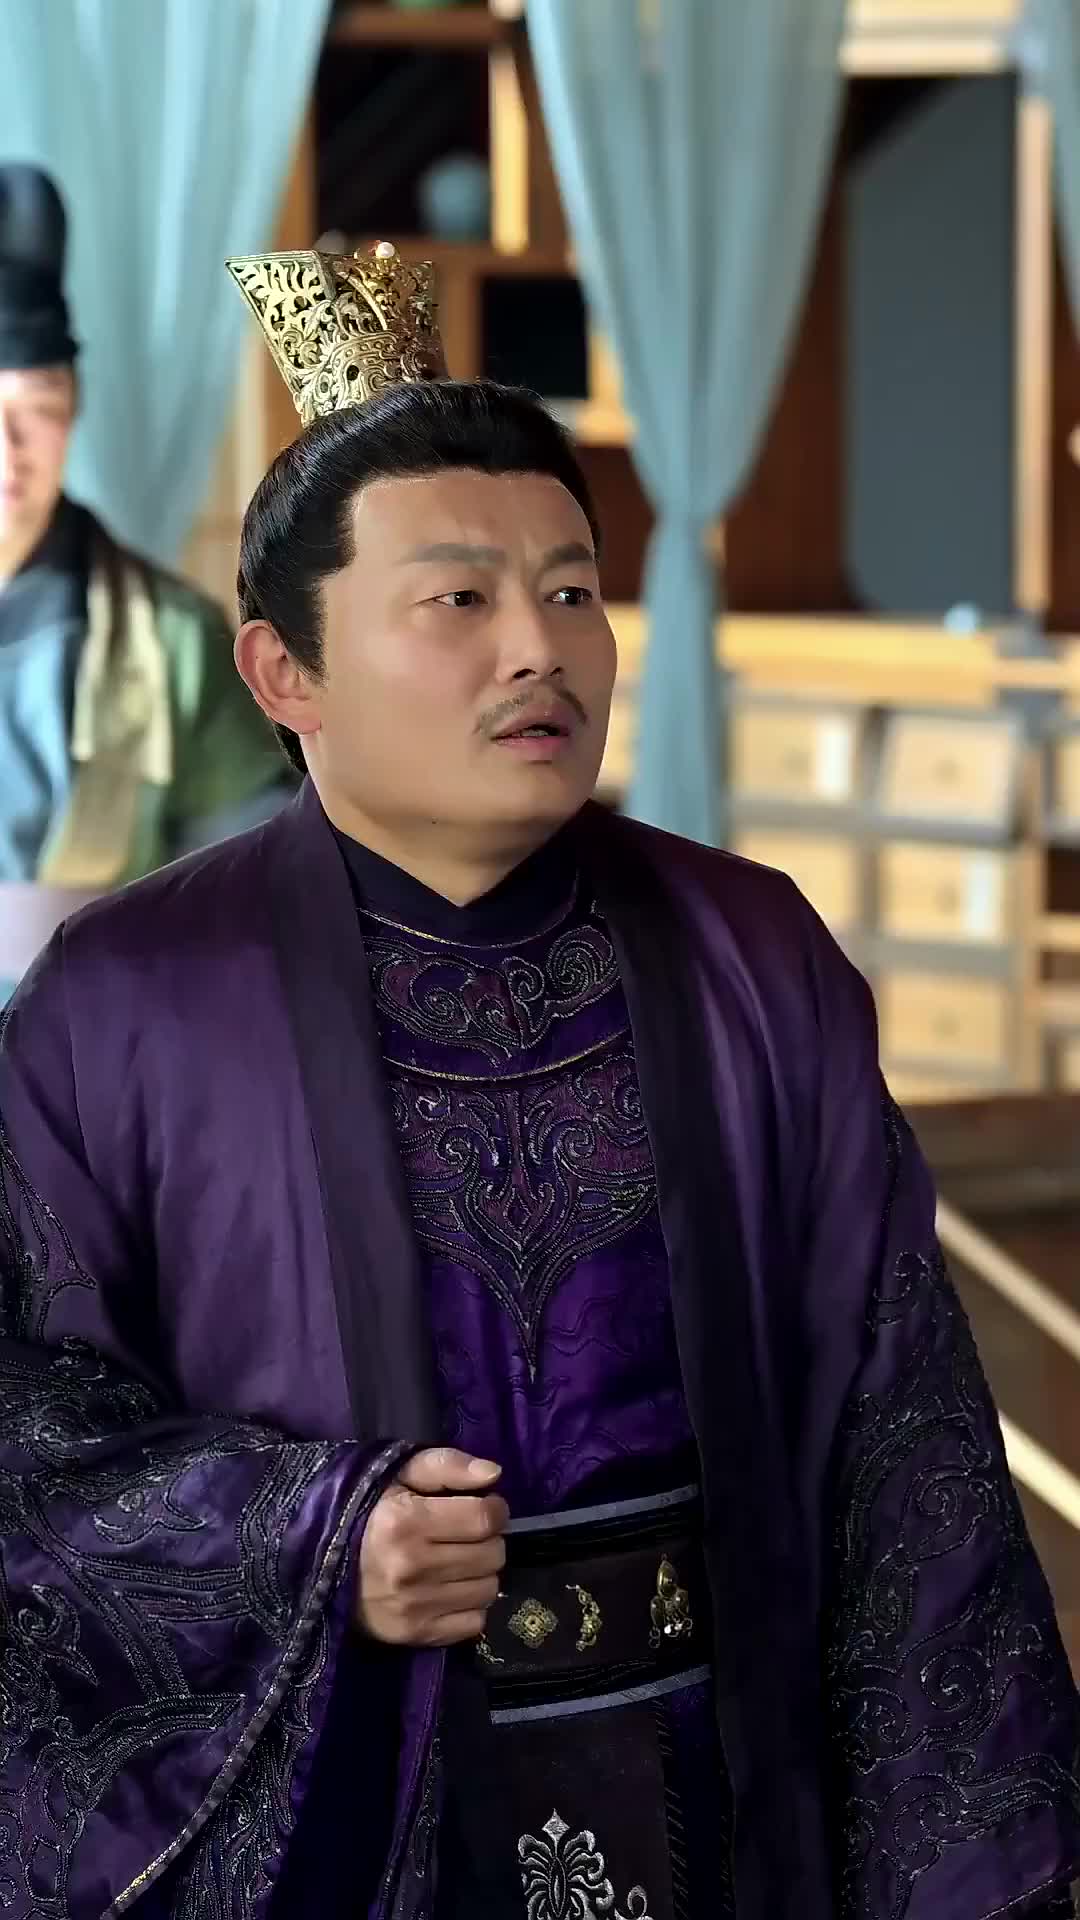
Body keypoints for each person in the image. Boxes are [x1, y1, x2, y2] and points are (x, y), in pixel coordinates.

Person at [0, 239, 1077, 1920]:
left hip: (720, 1775)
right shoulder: (126, 1001)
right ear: (284, 672)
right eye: (459, 601)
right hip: (346, 1801)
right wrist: (309, 1536)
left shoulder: (753, 956)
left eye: (572, 592)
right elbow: (27, 1426)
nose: (541, 648)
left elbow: (903, 1448)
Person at [0, 163, 288, 996]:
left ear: (74, 410)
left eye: (37, 407)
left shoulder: (175, 642)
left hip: (100, 1053)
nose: (10, 450)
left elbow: (255, 901)